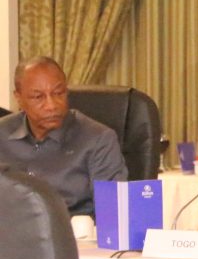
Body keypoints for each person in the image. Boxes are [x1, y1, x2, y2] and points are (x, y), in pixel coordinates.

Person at [0, 57, 126, 215]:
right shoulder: (2, 133)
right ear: (18, 98)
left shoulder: (98, 139)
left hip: (73, 234)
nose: (52, 105)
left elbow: (113, 212)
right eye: (38, 97)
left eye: (58, 93)